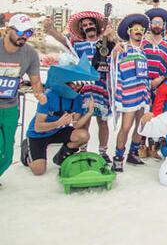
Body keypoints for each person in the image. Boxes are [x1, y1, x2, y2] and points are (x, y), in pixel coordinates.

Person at [44, 10, 113, 161]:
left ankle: (103, 152)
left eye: (90, 24)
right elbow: (64, 40)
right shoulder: (79, 46)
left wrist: (109, 36)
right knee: (84, 121)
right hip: (84, 89)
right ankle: (82, 150)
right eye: (85, 25)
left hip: (102, 87)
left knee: (102, 122)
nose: (88, 27)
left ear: (96, 26)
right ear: (82, 29)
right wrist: (50, 29)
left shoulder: (106, 43)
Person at [21, 57, 98, 175]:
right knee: (39, 171)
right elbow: (38, 127)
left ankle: (61, 158)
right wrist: (58, 123)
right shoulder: (48, 97)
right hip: (38, 134)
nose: (77, 87)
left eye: (80, 85)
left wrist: (89, 112)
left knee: (83, 135)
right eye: (75, 84)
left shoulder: (77, 98)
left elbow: (76, 125)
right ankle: (27, 152)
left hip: (57, 132)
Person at [1, 14, 46, 184]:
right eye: (20, 32)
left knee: (7, 153)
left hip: (11, 107)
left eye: (28, 33)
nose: (24, 36)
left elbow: (36, 81)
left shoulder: (30, 54)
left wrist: (39, 95)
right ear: (8, 30)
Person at [111, 14, 152, 171]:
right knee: (126, 126)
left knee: (140, 125)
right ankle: (118, 157)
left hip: (142, 92)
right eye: (135, 29)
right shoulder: (123, 47)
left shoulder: (142, 51)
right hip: (128, 93)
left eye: (141, 29)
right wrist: (114, 52)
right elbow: (113, 62)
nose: (138, 31)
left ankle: (133, 153)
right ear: (129, 31)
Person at [140, 8, 167, 158]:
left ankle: (154, 145)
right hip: (142, 83)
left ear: (164, 26)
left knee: (157, 114)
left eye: (160, 23)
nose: (157, 25)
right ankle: (141, 145)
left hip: (160, 84)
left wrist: (160, 79)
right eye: (154, 22)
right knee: (143, 114)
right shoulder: (142, 42)